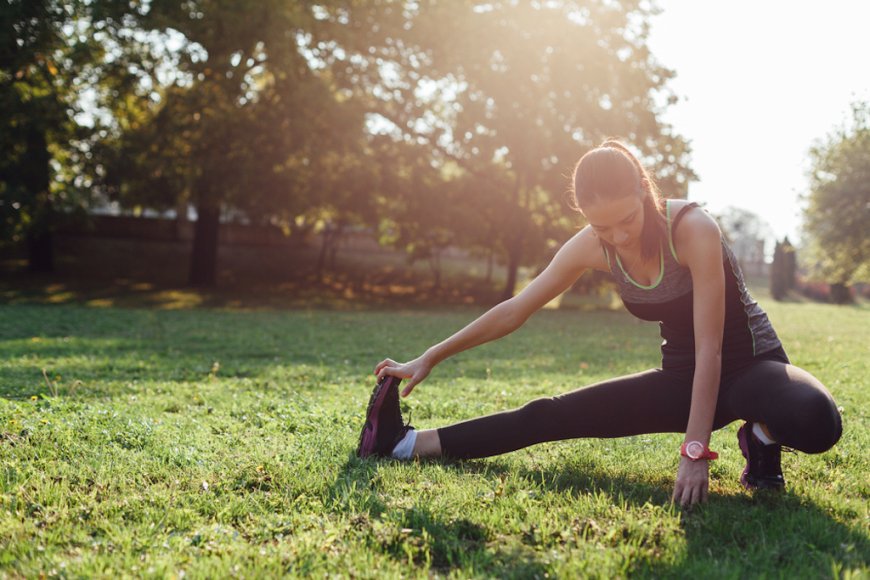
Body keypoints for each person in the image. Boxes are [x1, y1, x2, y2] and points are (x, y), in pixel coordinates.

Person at [356, 140, 842, 508]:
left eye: (627, 220)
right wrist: (429, 357)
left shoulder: (693, 230)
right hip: (681, 377)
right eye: (602, 227)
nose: (619, 236)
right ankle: (407, 445)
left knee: (818, 420)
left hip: (751, 366)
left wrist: (695, 450)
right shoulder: (593, 244)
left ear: (645, 191)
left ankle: (761, 437)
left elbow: (712, 347)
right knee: (550, 415)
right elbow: (516, 309)